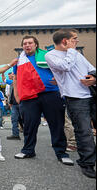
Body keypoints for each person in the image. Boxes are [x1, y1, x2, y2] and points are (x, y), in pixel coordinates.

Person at [13, 35, 73, 165]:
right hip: (29, 97)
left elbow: (63, 70)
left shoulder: (48, 56)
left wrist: (60, 81)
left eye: (30, 43)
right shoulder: (19, 61)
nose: (27, 45)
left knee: (56, 124)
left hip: (50, 94)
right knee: (29, 125)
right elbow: (16, 79)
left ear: (36, 44)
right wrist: (17, 96)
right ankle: (28, 150)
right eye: (24, 44)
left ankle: (61, 153)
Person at [45, 29, 96, 178]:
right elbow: (65, 66)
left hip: (91, 94)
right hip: (75, 98)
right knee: (84, 132)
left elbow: (92, 69)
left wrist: (93, 78)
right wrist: (71, 50)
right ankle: (87, 163)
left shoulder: (77, 54)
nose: (77, 41)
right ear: (65, 41)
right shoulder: (51, 55)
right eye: (74, 39)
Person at [3, 73, 24, 140]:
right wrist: (2, 73)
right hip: (14, 104)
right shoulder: (12, 82)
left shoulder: (22, 81)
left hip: (22, 103)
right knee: (14, 119)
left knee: (25, 119)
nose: (11, 75)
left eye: (13, 74)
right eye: (11, 74)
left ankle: (28, 134)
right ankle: (15, 135)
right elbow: (4, 79)